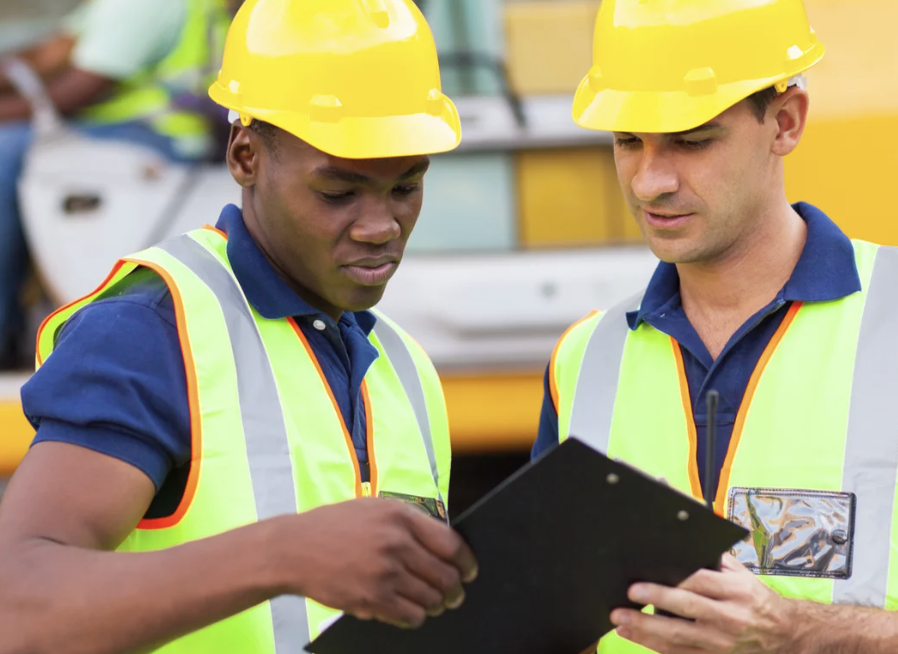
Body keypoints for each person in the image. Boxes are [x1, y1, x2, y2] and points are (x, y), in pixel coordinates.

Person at [0, 1, 478, 653]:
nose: (379, 226)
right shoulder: (150, 329)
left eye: (405, 188)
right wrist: (284, 554)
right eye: (338, 192)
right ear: (246, 156)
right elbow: (18, 607)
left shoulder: (403, 365)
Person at [533, 0, 898, 652]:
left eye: (692, 141)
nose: (650, 182)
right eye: (628, 142)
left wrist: (797, 631)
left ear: (784, 122)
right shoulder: (584, 357)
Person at [0, 0, 234, 369]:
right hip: (140, 131)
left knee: (5, 152)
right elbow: (50, 53)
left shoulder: (144, 5)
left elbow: (74, 93)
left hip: (151, 135)